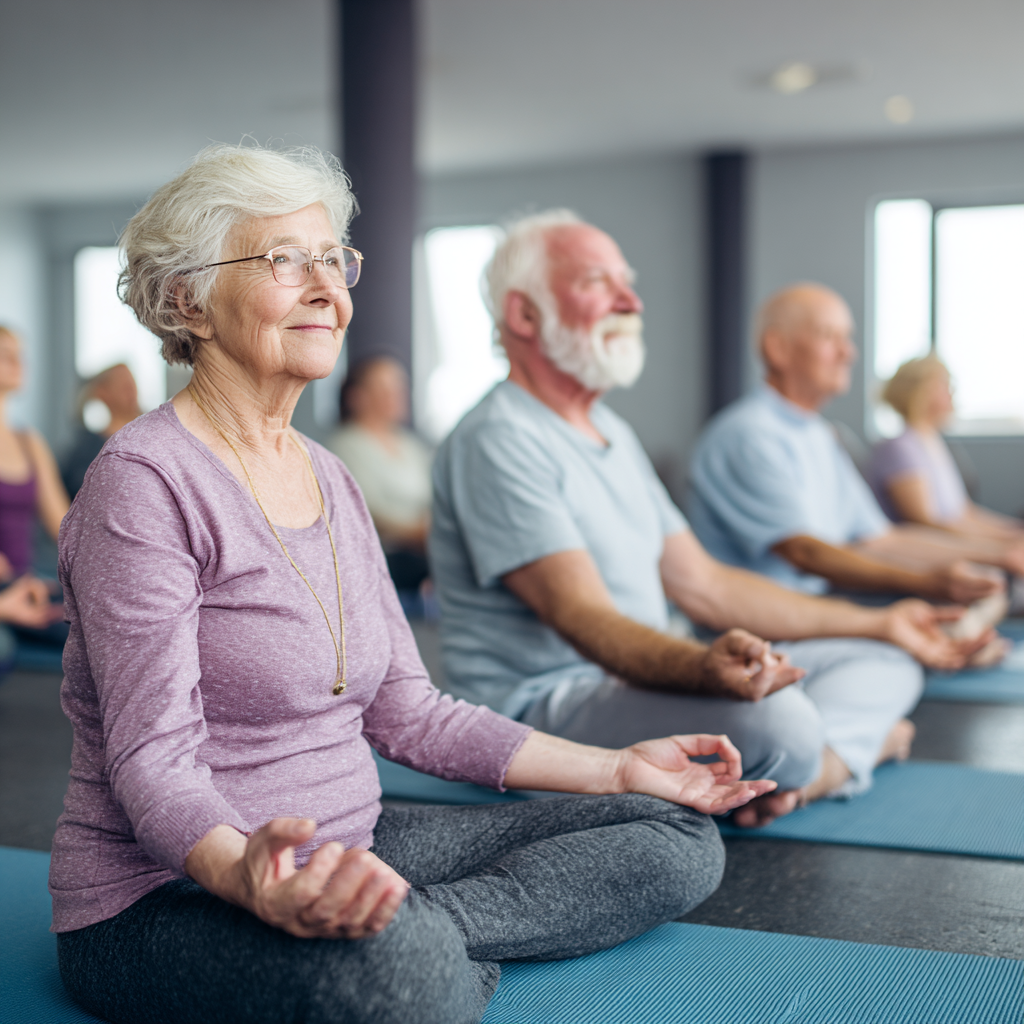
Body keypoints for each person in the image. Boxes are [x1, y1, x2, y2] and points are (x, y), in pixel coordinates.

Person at [49, 146, 774, 1024]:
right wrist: (250, 876)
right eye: (283, 259)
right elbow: (151, 759)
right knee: (404, 975)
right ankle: (406, 945)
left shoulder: (330, 476)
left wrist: (618, 766)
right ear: (185, 301)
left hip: (358, 840)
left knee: (676, 834)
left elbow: (409, 711)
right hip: (175, 892)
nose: (325, 286)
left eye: (332, 260)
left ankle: (404, 927)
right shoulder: (145, 481)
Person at [429, 210, 984, 835]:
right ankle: (841, 755)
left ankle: (819, 769)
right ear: (524, 316)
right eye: (597, 283)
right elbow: (584, 620)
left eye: (628, 282)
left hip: (633, 678)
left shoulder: (610, 429)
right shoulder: (498, 437)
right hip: (543, 710)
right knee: (784, 724)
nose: (630, 300)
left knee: (888, 659)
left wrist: (881, 621)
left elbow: (706, 585)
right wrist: (702, 669)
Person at [688, 284, 1014, 604]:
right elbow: (806, 551)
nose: (848, 353)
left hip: (815, 609)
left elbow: (881, 541)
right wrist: (924, 582)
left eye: (848, 338)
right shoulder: (749, 435)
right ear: (777, 348)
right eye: (830, 337)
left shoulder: (819, 433)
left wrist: (1003, 553)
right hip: (760, 632)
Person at [870, 355, 1024, 561]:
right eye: (943, 385)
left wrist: (1013, 532)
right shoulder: (900, 448)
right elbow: (925, 523)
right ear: (920, 392)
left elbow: (964, 513)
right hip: (923, 559)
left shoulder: (934, 443)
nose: (952, 392)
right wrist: (998, 548)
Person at [327, 356, 432, 592]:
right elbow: (367, 511)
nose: (397, 395)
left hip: (422, 548)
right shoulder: (344, 446)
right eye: (385, 388)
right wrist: (419, 534)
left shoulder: (410, 445)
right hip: (383, 556)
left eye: (399, 387)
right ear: (358, 396)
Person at [0, 327, 69, 651]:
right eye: (5, 354)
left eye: (19, 354)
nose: (17, 362)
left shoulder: (30, 443)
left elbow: (65, 528)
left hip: (26, 581)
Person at [61, 362, 143, 499]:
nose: (131, 390)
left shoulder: (152, 441)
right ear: (102, 392)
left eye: (132, 384)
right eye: (124, 386)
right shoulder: (84, 453)